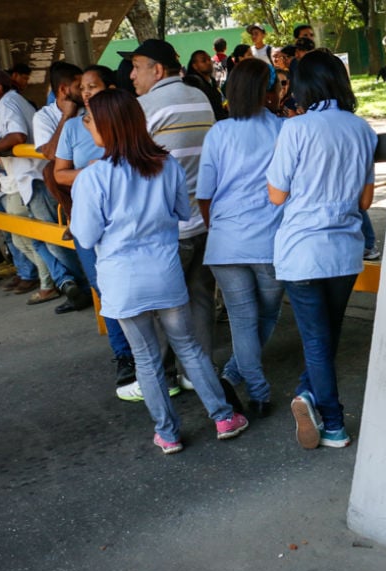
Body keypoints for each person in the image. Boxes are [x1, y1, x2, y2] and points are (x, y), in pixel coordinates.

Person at [71, 89, 248, 454]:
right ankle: (223, 417)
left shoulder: (92, 177)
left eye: (90, 120)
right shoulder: (166, 165)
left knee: (146, 359)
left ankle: (168, 434)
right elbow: (183, 212)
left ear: (107, 126)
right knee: (190, 347)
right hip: (165, 273)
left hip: (122, 280)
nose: (87, 126)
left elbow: (85, 236)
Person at [266, 49, 377, 449]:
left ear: (304, 86)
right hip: (345, 251)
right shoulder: (362, 129)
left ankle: (333, 423)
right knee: (328, 335)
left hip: (301, 251)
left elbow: (276, 195)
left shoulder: (295, 129)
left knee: (316, 340)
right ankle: (306, 395)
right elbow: (365, 201)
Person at [120, 39, 217, 398]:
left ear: (157, 70)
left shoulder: (144, 107)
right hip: (202, 220)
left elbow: (127, 166)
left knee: (161, 304)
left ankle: (163, 377)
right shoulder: (201, 98)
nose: (132, 75)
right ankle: (198, 372)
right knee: (201, 298)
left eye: (136, 67)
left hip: (164, 226)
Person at [197, 58, 285, 419]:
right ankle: (255, 389)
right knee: (267, 314)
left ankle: (239, 377)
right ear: (268, 91)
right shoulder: (283, 130)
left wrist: (217, 229)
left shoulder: (218, 133)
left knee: (243, 320)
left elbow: (204, 194)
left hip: (226, 244)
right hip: (270, 243)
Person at [53, 64, 138, 390]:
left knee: (136, 287)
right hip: (88, 217)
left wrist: (103, 172)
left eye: (93, 86)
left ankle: (156, 356)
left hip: (127, 218)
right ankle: (125, 355)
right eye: (83, 87)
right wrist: (93, 174)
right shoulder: (74, 127)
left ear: (110, 90)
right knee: (105, 289)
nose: (87, 93)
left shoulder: (128, 121)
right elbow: (59, 173)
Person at [0, 68, 66, 306]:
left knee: (45, 238)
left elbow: (17, 136)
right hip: (26, 180)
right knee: (35, 239)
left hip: (33, 178)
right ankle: (63, 281)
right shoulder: (3, 104)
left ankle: (61, 283)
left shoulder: (9, 102)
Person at [30, 61, 92, 314]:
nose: (84, 91)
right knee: (50, 170)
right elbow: (50, 154)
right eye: (79, 86)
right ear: (64, 90)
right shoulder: (44, 116)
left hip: (94, 180)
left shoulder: (91, 107)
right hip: (70, 185)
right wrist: (67, 116)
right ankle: (84, 287)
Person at [185, 50, 227, 121]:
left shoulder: (212, 81)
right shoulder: (193, 83)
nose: (208, 62)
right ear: (195, 66)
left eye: (209, 59)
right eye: (203, 61)